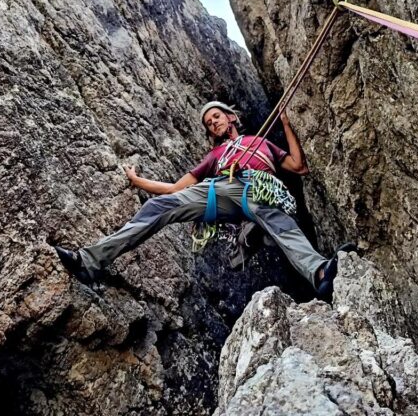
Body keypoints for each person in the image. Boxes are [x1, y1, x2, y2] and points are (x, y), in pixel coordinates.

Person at [54, 101, 347, 299]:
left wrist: (284, 123)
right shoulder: (214, 156)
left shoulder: (259, 143)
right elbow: (173, 188)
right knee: (160, 206)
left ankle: (318, 271)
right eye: (209, 123)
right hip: (217, 188)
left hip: (257, 187)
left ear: (230, 117)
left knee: (279, 222)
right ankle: (89, 260)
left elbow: (299, 167)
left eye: (216, 117)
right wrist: (136, 180)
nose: (213, 123)